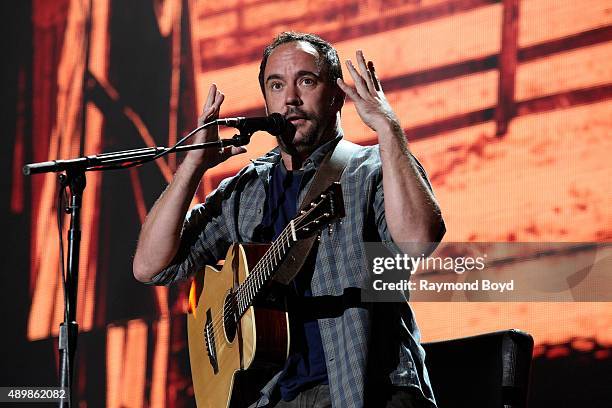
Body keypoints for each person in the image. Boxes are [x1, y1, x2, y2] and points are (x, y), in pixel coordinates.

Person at [133, 32, 445, 408]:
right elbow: (150, 267)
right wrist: (193, 166)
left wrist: (389, 130)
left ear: (336, 97)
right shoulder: (246, 190)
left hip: (363, 389)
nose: (291, 99)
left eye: (306, 81)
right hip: (273, 395)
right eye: (276, 85)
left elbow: (418, 242)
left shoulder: (371, 171)